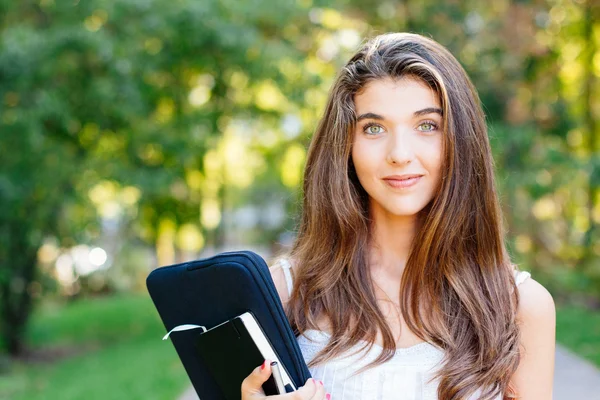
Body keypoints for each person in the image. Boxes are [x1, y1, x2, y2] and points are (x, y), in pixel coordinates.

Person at [241, 32, 555, 400]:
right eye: (373, 128)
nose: (400, 153)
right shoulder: (283, 294)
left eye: (427, 125)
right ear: (345, 147)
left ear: (461, 139)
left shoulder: (521, 308)